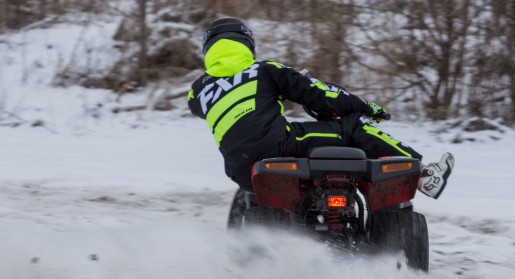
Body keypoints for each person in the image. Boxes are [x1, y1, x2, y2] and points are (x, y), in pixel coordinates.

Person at [187, 17, 454, 199]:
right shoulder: (264, 70)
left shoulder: (198, 91)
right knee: (353, 127)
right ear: (247, 44)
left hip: (239, 170)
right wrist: (365, 107)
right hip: (278, 145)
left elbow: (197, 108)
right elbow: (320, 96)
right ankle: (424, 174)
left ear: (209, 49)